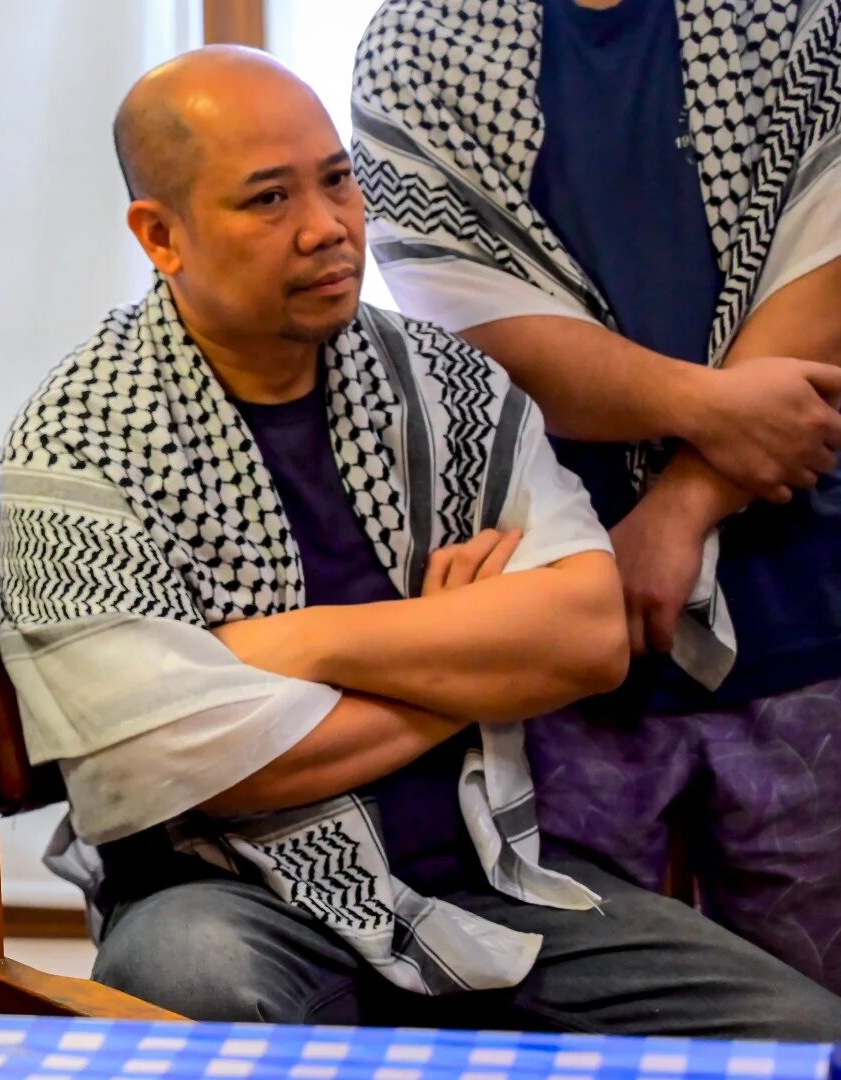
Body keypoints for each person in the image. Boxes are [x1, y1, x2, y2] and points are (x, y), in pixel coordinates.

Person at [0, 45, 841, 1036]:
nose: (328, 229)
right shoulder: (82, 435)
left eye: (338, 181)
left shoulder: (443, 382)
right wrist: (478, 659)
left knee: (804, 1037)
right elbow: (172, 765)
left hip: (492, 878)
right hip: (236, 896)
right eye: (268, 201)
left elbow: (589, 635)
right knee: (186, 970)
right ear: (161, 235)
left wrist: (313, 643)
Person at [353, 0, 841, 990]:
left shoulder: (801, 15)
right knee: (590, 1005)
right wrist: (709, 413)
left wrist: (682, 506)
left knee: (814, 1014)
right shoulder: (418, 39)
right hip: (564, 618)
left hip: (808, 592)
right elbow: (476, 320)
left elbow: (826, 265)